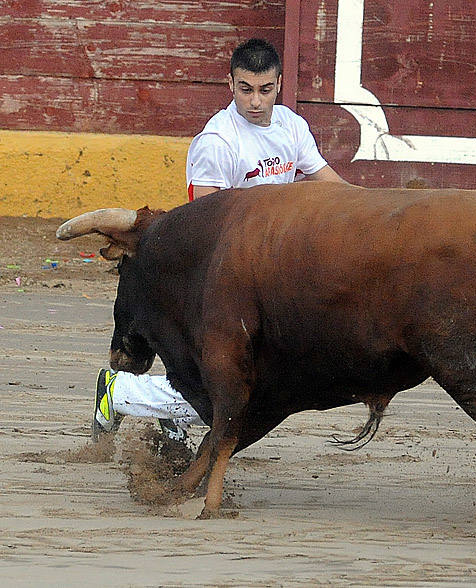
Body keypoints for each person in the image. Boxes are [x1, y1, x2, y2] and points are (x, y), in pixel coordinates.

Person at [91, 38, 346, 444]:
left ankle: (157, 407)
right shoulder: (217, 142)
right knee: (243, 377)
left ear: (279, 84)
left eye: (265, 90)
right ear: (230, 84)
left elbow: (332, 188)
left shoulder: (292, 127)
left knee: (257, 375)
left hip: (273, 267)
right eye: (246, 89)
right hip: (225, 273)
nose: (256, 102)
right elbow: (209, 228)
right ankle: (121, 393)